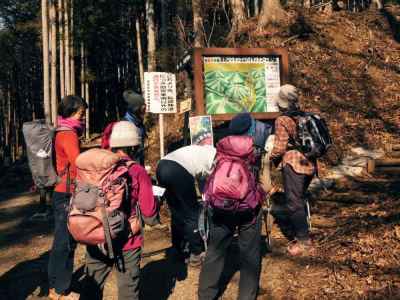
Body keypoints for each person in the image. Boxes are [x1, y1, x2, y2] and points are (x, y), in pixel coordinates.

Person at [81, 121, 158, 300]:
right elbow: (149, 213)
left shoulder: (96, 168)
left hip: (97, 233)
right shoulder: (137, 171)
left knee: (92, 285)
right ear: (134, 146)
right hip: (128, 238)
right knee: (128, 288)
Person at [198, 114, 265, 300]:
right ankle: (246, 296)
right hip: (248, 207)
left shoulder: (220, 146)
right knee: (250, 254)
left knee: (215, 250)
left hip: (220, 205)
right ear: (248, 128)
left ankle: (205, 295)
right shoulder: (255, 147)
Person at [48, 95, 88, 300]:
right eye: (81, 114)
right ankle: (60, 290)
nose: (83, 118)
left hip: (60, 190)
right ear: (71, 112)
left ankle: (55, 284)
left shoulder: (60, 131)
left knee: (60, 239)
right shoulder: (69, 134)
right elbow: (78, 162)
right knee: (66, 241)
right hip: (67, 192)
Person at [269, 84, 316, 256]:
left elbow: (280, 148)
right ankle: (302, 231)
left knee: (293, 202)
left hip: (294, 163)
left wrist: (269, 157)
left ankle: (303, 241)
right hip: (309, 163)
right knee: (299, 198)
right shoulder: (305, 115)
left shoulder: (283, 120)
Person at [156, 145, 217, 266]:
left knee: (177, 212)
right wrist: (207, 200)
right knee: (192, 213)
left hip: (161, 166)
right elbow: (207, 182)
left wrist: (205, 197)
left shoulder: (203, 152)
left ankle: (178, 250)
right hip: (178, 170)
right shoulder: (215, 159)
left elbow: (201, 180)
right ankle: (197, 253)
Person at [122, 90, 147, 165]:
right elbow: (123, 155)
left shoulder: (139, 123)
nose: (145, 111)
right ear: (135, 109)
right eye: (143, 109)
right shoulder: (124, 126)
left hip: (139, 165)